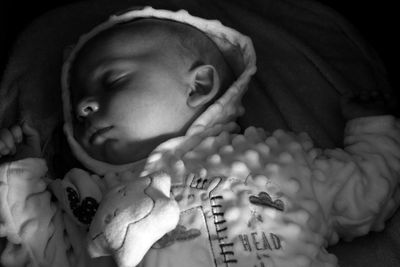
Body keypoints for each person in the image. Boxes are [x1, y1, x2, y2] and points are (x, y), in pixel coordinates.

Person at [0, 6, 399, 267]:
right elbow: (45, 251)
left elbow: (365, 194)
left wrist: (373, 126)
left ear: (198, 85)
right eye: (80, 100)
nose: (85, 105)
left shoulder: (277, 159)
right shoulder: (87, 198)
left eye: (112, 81)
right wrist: (19, 176)